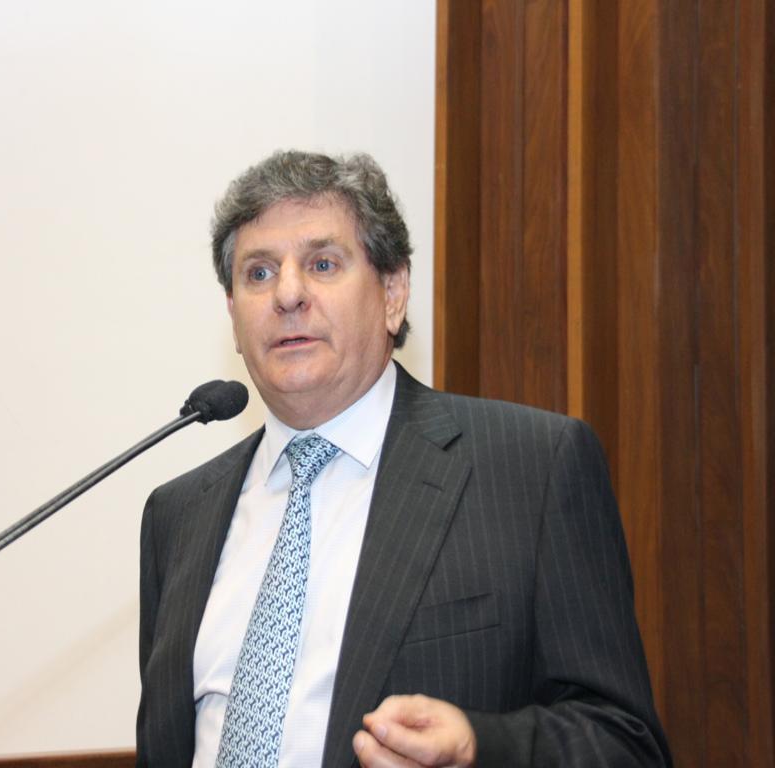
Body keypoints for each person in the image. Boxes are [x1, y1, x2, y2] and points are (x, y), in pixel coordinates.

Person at [136, 150, 671, 767]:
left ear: (393, 293)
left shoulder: (534, 469)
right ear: (234, 316)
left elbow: (625, 745)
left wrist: (477, 749)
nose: (287, 293)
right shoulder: (177, 515)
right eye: (258, 273)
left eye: (323, 263)